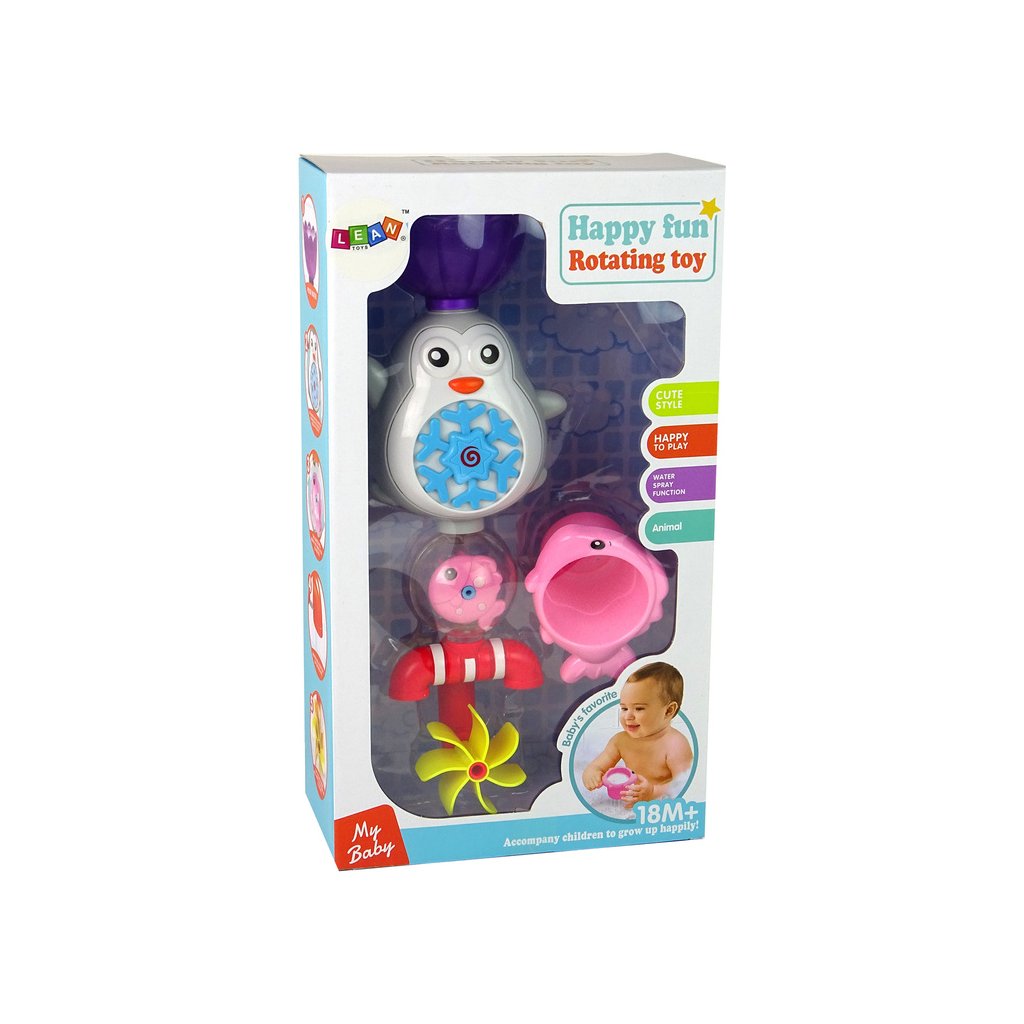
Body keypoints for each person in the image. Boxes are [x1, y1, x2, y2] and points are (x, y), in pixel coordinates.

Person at [582, 662, 693, 808]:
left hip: (662, 809)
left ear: (668, 711)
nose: (628, 716)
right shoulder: (620, 741)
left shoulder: (676, 745)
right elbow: (597, 765)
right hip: (632, 805)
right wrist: (591, 773)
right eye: (624, 708)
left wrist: (653, 791)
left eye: (639, 708)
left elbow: (685, 784)